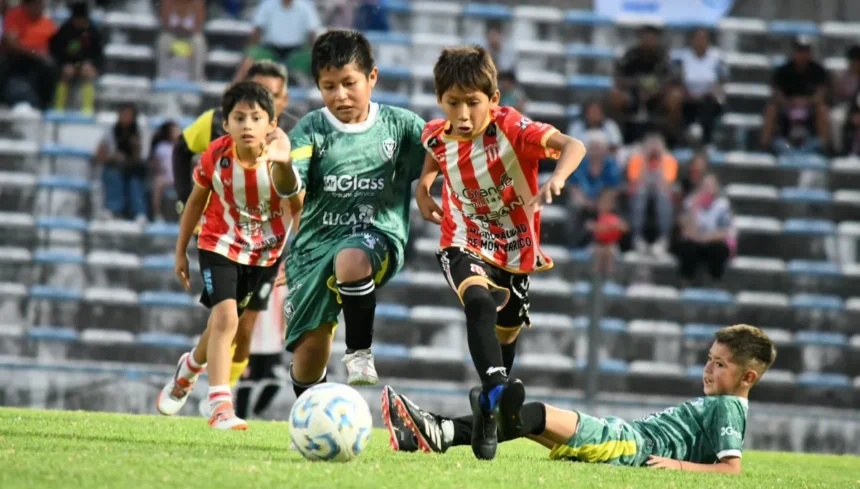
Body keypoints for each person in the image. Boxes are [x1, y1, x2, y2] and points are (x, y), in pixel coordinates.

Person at [414, 45, 586, 461]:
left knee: (505, 335)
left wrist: (558, 178)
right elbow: (434, 160)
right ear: (440, 100)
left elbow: (573, 144)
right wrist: (423, 190)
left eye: (473, 102)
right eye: (452, 102)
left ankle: (490, 411)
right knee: (477, 300)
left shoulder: (512, 128)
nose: (462, 114)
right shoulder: (435, 134)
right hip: (463, 238)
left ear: (493, 100)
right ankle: (494, 389)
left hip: (515, 251)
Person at [383, 324, 776, 475]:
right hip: (630, 439)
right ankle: (446, 428)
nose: (708, 369)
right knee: (524, 421)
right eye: (709, 359)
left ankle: (448, 428)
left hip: (634, 445)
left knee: (533, 413)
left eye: (720, 364)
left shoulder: (728, 406)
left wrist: (676, 466)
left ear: (748, 377)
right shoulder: (725, 402)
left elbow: (730, 471)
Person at [269, 30, 426, 398]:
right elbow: (290, 187)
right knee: (309, 352)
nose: (340, 95)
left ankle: (359, 352)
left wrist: (428, 187)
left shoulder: (401, 126)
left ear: (372, 77)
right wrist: (280, 164)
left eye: (349, 83)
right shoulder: (311, 128)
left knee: (352, 259)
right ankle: (312, 417)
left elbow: (443, 154)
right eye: (329, 86)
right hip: (314, 247)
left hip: (377, 236)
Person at [156, 81, 301, 430]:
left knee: (227, 323)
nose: (247, 125)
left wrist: (297, 258)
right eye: (239, 118)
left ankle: (189, 367)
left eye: (256, 118)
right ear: (226, 124)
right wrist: (180, 252)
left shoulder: (284, 155)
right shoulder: (215, 156)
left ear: (272, 122)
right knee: (227, 319)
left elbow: (299, 208)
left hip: (265, 252)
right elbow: (194, 202)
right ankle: (220, 406)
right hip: (218, 242)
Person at [94, 103, 148, 222]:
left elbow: (141, 158)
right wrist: (112, 156)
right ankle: (112, 209)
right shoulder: (110, 132)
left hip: (133, 168)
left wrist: (135, 147)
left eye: (129, 115)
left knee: (135, 181)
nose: (126, 117)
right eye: (124, 114)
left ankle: (139, 213)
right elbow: (98, 155)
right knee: (113, 174)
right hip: (114, 166)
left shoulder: (139, 133)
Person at [677, 173, 734, 283]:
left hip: (712, 242)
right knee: (687, 247)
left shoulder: (722, 205)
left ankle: (716, 282)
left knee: (719, 249)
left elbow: (724, 232)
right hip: (695, 242)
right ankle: (686, 281)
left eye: (710, 186)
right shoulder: (690, 202)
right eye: (704, 186)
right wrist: (693, 209)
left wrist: (703, 238)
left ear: (716, 188)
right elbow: (686, 231)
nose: (707, 189)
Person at [49, 1, 103, 114]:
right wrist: (64, 64)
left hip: (85, 65)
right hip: (67, 65)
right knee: (67, 72)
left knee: (87, 71)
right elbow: (56, 51)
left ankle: (87, 108)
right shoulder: (64, 31)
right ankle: (59, 107)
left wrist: (92, 64)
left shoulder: (93, 32)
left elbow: (98, 54)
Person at [149, 121, 180, 221]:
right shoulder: (162, 147)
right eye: (174, 131)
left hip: (179, 176)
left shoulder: (182, 146)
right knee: (158, 183)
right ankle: (156, 213)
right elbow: (156, 163)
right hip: (166, 177)